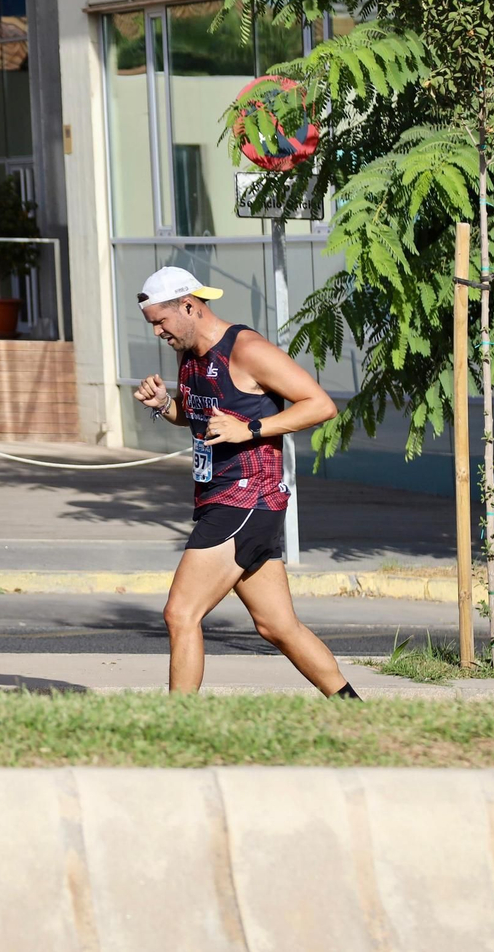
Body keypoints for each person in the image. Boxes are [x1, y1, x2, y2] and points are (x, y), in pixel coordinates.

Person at [132, 266, 361, 699]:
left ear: (189, 306)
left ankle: (177, 730)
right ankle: (357, 711)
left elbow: (321, 405)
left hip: (245, 499)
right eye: (153, 325)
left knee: (181, 613)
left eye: (161, 321)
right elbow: (201, 417)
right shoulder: (190, 355)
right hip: (221, 496)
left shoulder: (246, 349)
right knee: (276, 626)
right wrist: (165, 405)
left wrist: (252, 429)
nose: (158, 332)